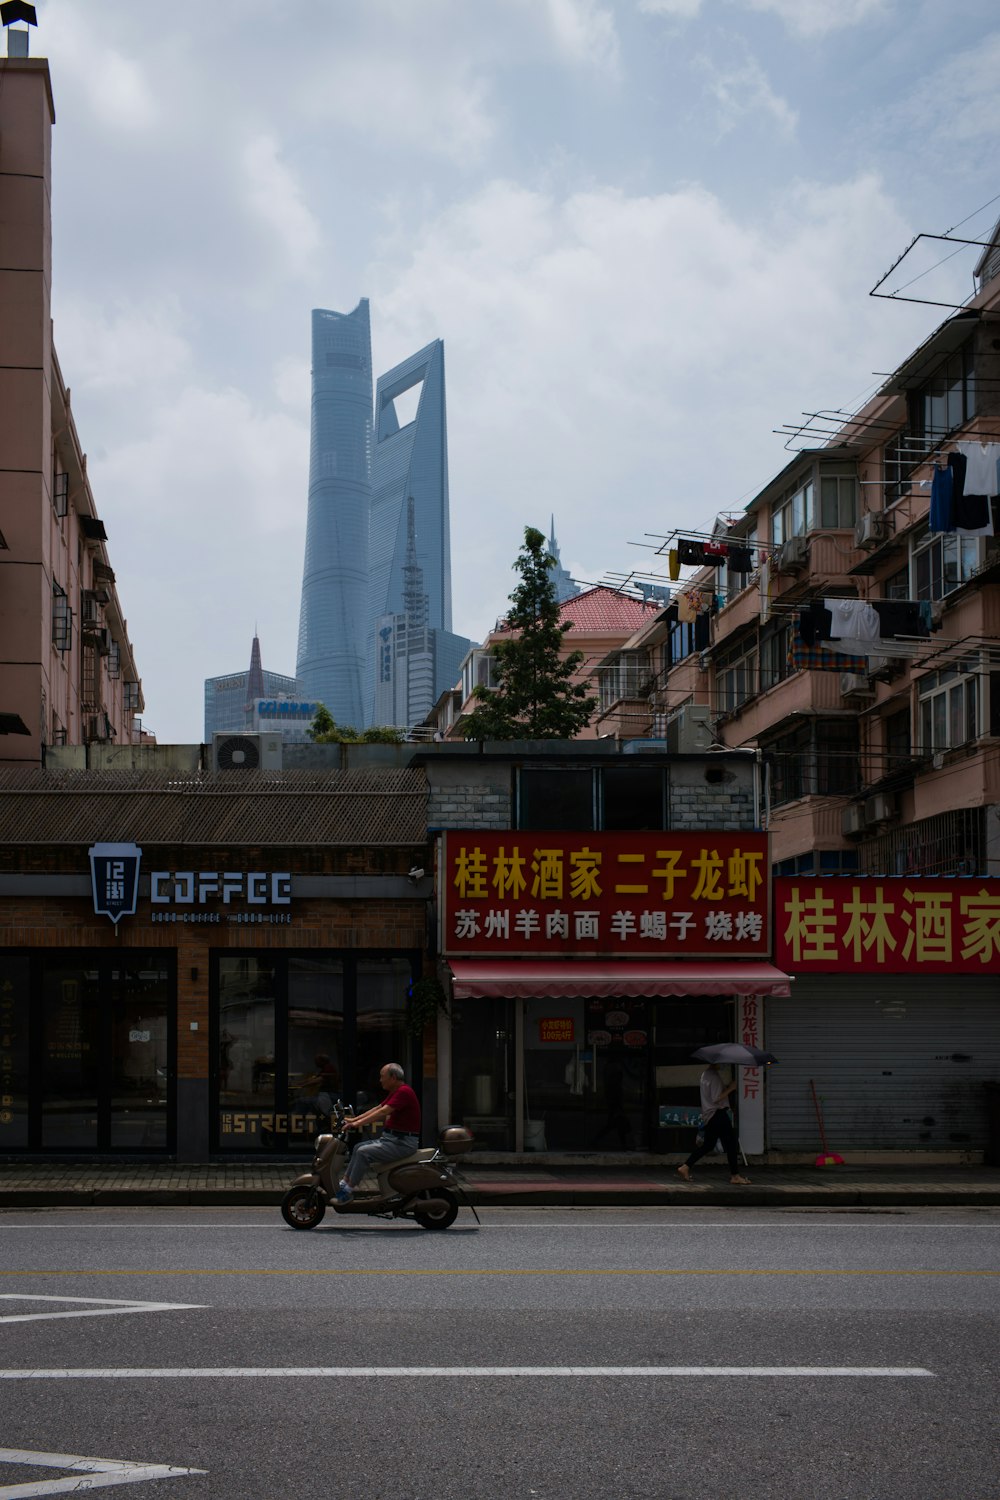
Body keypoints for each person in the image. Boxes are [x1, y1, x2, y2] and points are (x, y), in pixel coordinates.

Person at [334, 1062, 421, 1202]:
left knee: (364, 1152)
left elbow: (383, 1112)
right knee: (357, 1148)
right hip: (392, 1139)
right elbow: (378, 1108)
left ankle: (348, 1190)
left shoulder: (404, 1092)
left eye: (382, 1076)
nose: (380, 1080)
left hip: (402, 1143)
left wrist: (356, 1124)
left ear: (393, 1077)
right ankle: (344, 1183)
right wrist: (353, 1120)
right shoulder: (396, 1091)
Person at [676, 1062, 750, 1185]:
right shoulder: (714, 1076)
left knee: (708, 1145)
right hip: (717, 1114)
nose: (723, 1064)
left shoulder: (705, 1075)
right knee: (731, 1143)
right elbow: (716, 1098)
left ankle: (685, 1167)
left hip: (709, 1115)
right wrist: (731, 1088)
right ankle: (735, 1176)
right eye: (722, 1063)